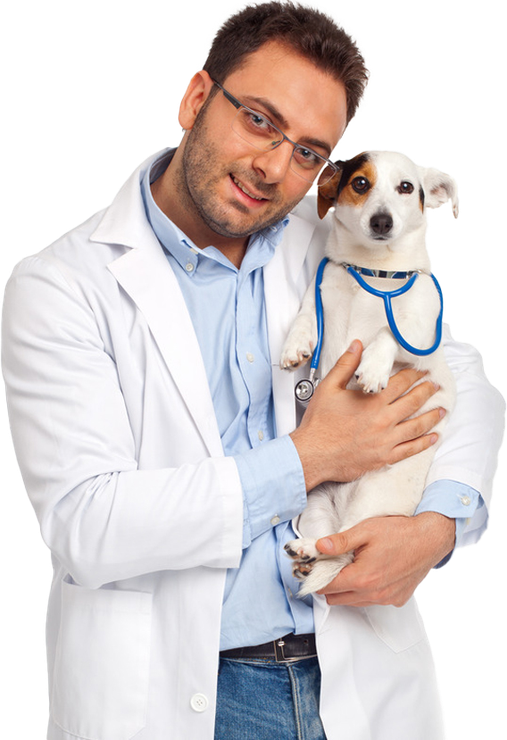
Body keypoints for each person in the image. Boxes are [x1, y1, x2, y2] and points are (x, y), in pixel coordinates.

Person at [1, 1, 504, 739]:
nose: (273, 168)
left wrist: (438, 524)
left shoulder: (331, 234)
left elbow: (459, 370)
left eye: (308, 152)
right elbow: (87, 526)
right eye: (259, 120)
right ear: (197, 98)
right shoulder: (61, 285)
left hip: (355, 671)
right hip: (184, 692)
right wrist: (310, 458)